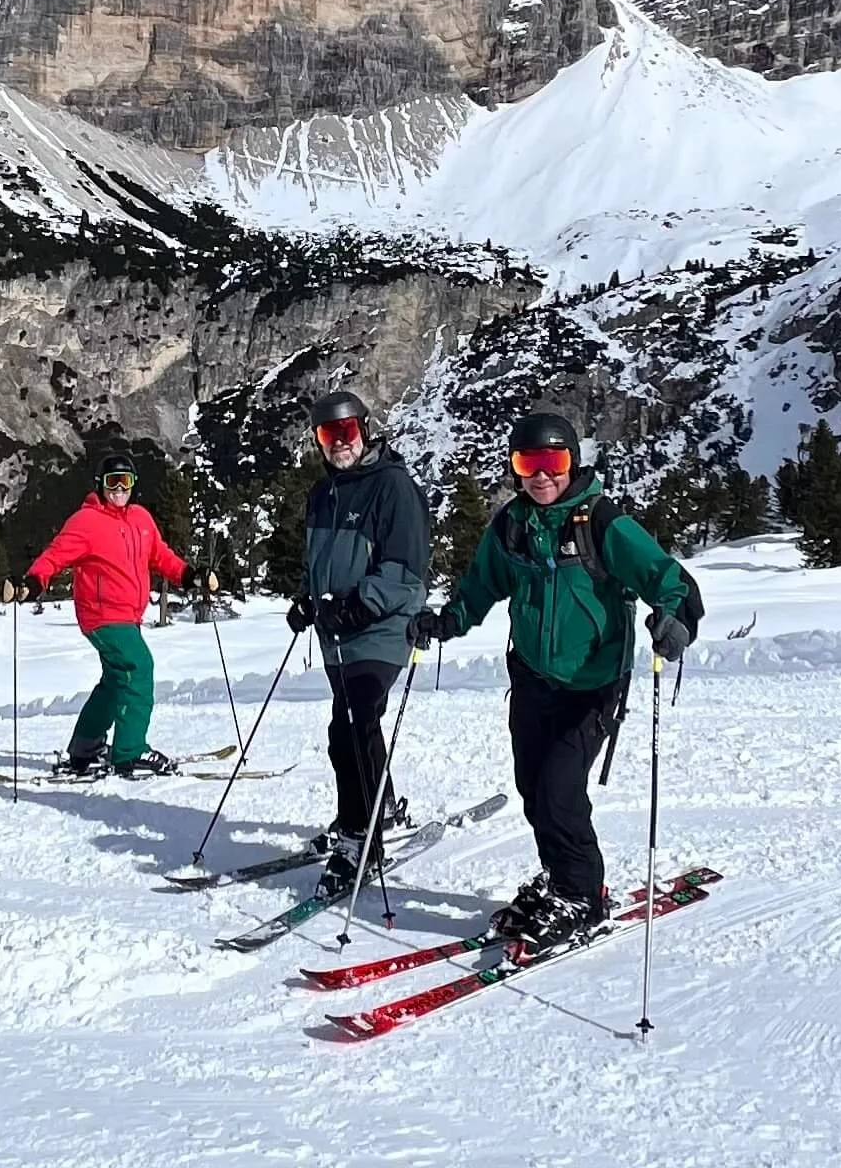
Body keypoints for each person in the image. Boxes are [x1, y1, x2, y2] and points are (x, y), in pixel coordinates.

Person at [411, 410, 702, 947]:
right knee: (532, 789)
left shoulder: (601, 522)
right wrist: (447, 620)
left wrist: (675, 616)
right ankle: (559, 879)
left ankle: (583, 896)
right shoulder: (512, 526)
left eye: (553, 461)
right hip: (532, 677)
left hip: (593, 682)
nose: (541, 475)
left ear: (572, 461)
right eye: (529, 463)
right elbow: (480, 587)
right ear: (515, 469)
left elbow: (667, 577)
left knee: (560, 790)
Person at [285, 388, 431, 893]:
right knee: (358, 721)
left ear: (365, 429)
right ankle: (380, 803)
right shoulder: (323, 493)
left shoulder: (393, 488)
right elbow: (318, 563)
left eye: (346, 431)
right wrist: (309, 599)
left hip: (382, 627)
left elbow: (406, 570)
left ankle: (359, 839)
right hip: (338, 634)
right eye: (328, 434)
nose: (338, 443)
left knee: (349, 726)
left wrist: (357, 603)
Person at [21, 445, 208, 778]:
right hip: (102, 616)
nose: (119, 489)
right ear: (100, 484)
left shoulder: (141, 519)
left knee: (114, 682)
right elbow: (55, 555)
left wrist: (189, 575)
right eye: (112, 482)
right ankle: (129, 752)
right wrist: (34, 581)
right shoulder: (87, 521)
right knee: (139, 667)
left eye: (126, 481)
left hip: (128, 616)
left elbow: (161, 556)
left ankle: (85, 749)